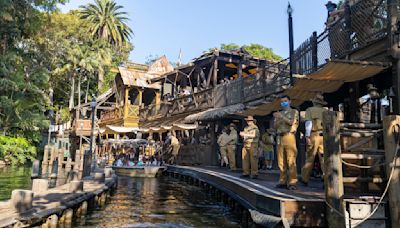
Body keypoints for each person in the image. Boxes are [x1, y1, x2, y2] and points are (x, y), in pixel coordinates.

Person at [300, 94, 327, 186]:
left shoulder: (310, 110)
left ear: (313, 102)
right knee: (324, 158)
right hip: (324, 136)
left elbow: (308, 124)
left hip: (314, 135)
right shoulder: (325, 111)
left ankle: (305, 178)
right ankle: (326, 177)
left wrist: (307, 136)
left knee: (310, 157)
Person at [273, 95, 299, 190]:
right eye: (282, 101)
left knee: (291, 160)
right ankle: (282, 181)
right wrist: (277, 119)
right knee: (281, 161)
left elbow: (291, 122)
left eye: (285, 101)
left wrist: (281, 117)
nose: (283, 103)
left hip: (289, 136)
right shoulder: (279, 113)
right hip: (279, 136)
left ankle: (292, 182)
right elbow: (275, 126)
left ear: (290, 101)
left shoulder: (294, 111)